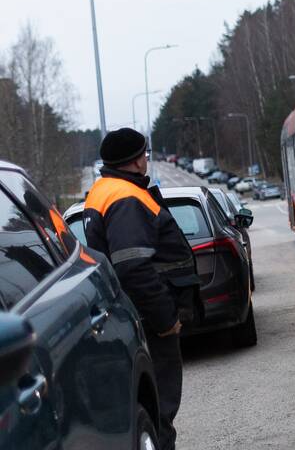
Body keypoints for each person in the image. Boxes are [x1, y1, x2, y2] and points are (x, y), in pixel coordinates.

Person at [84, 128, 198, 450]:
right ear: (135, 161)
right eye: (145, 154)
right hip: (150, 320)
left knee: (152, 410)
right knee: (160, 412)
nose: (146, 160)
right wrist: (166, 319)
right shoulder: (126, 198)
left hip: (135, 314)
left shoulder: (103, 190)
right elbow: (132, 266)